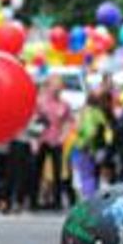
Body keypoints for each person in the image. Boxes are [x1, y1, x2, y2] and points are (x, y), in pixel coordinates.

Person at [35, 76, 73, 210]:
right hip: (42, 140)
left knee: (58, 172)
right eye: (55, 85)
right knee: (37, 171)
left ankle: (57, 201)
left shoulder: (64, 104)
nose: (57, 88)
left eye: (60, 86)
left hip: (57, 140)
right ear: (49, 86)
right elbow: (34, 120)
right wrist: (34, 139)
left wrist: (63, 136)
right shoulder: (40, 102)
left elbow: (69, 121)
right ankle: (35, 200)